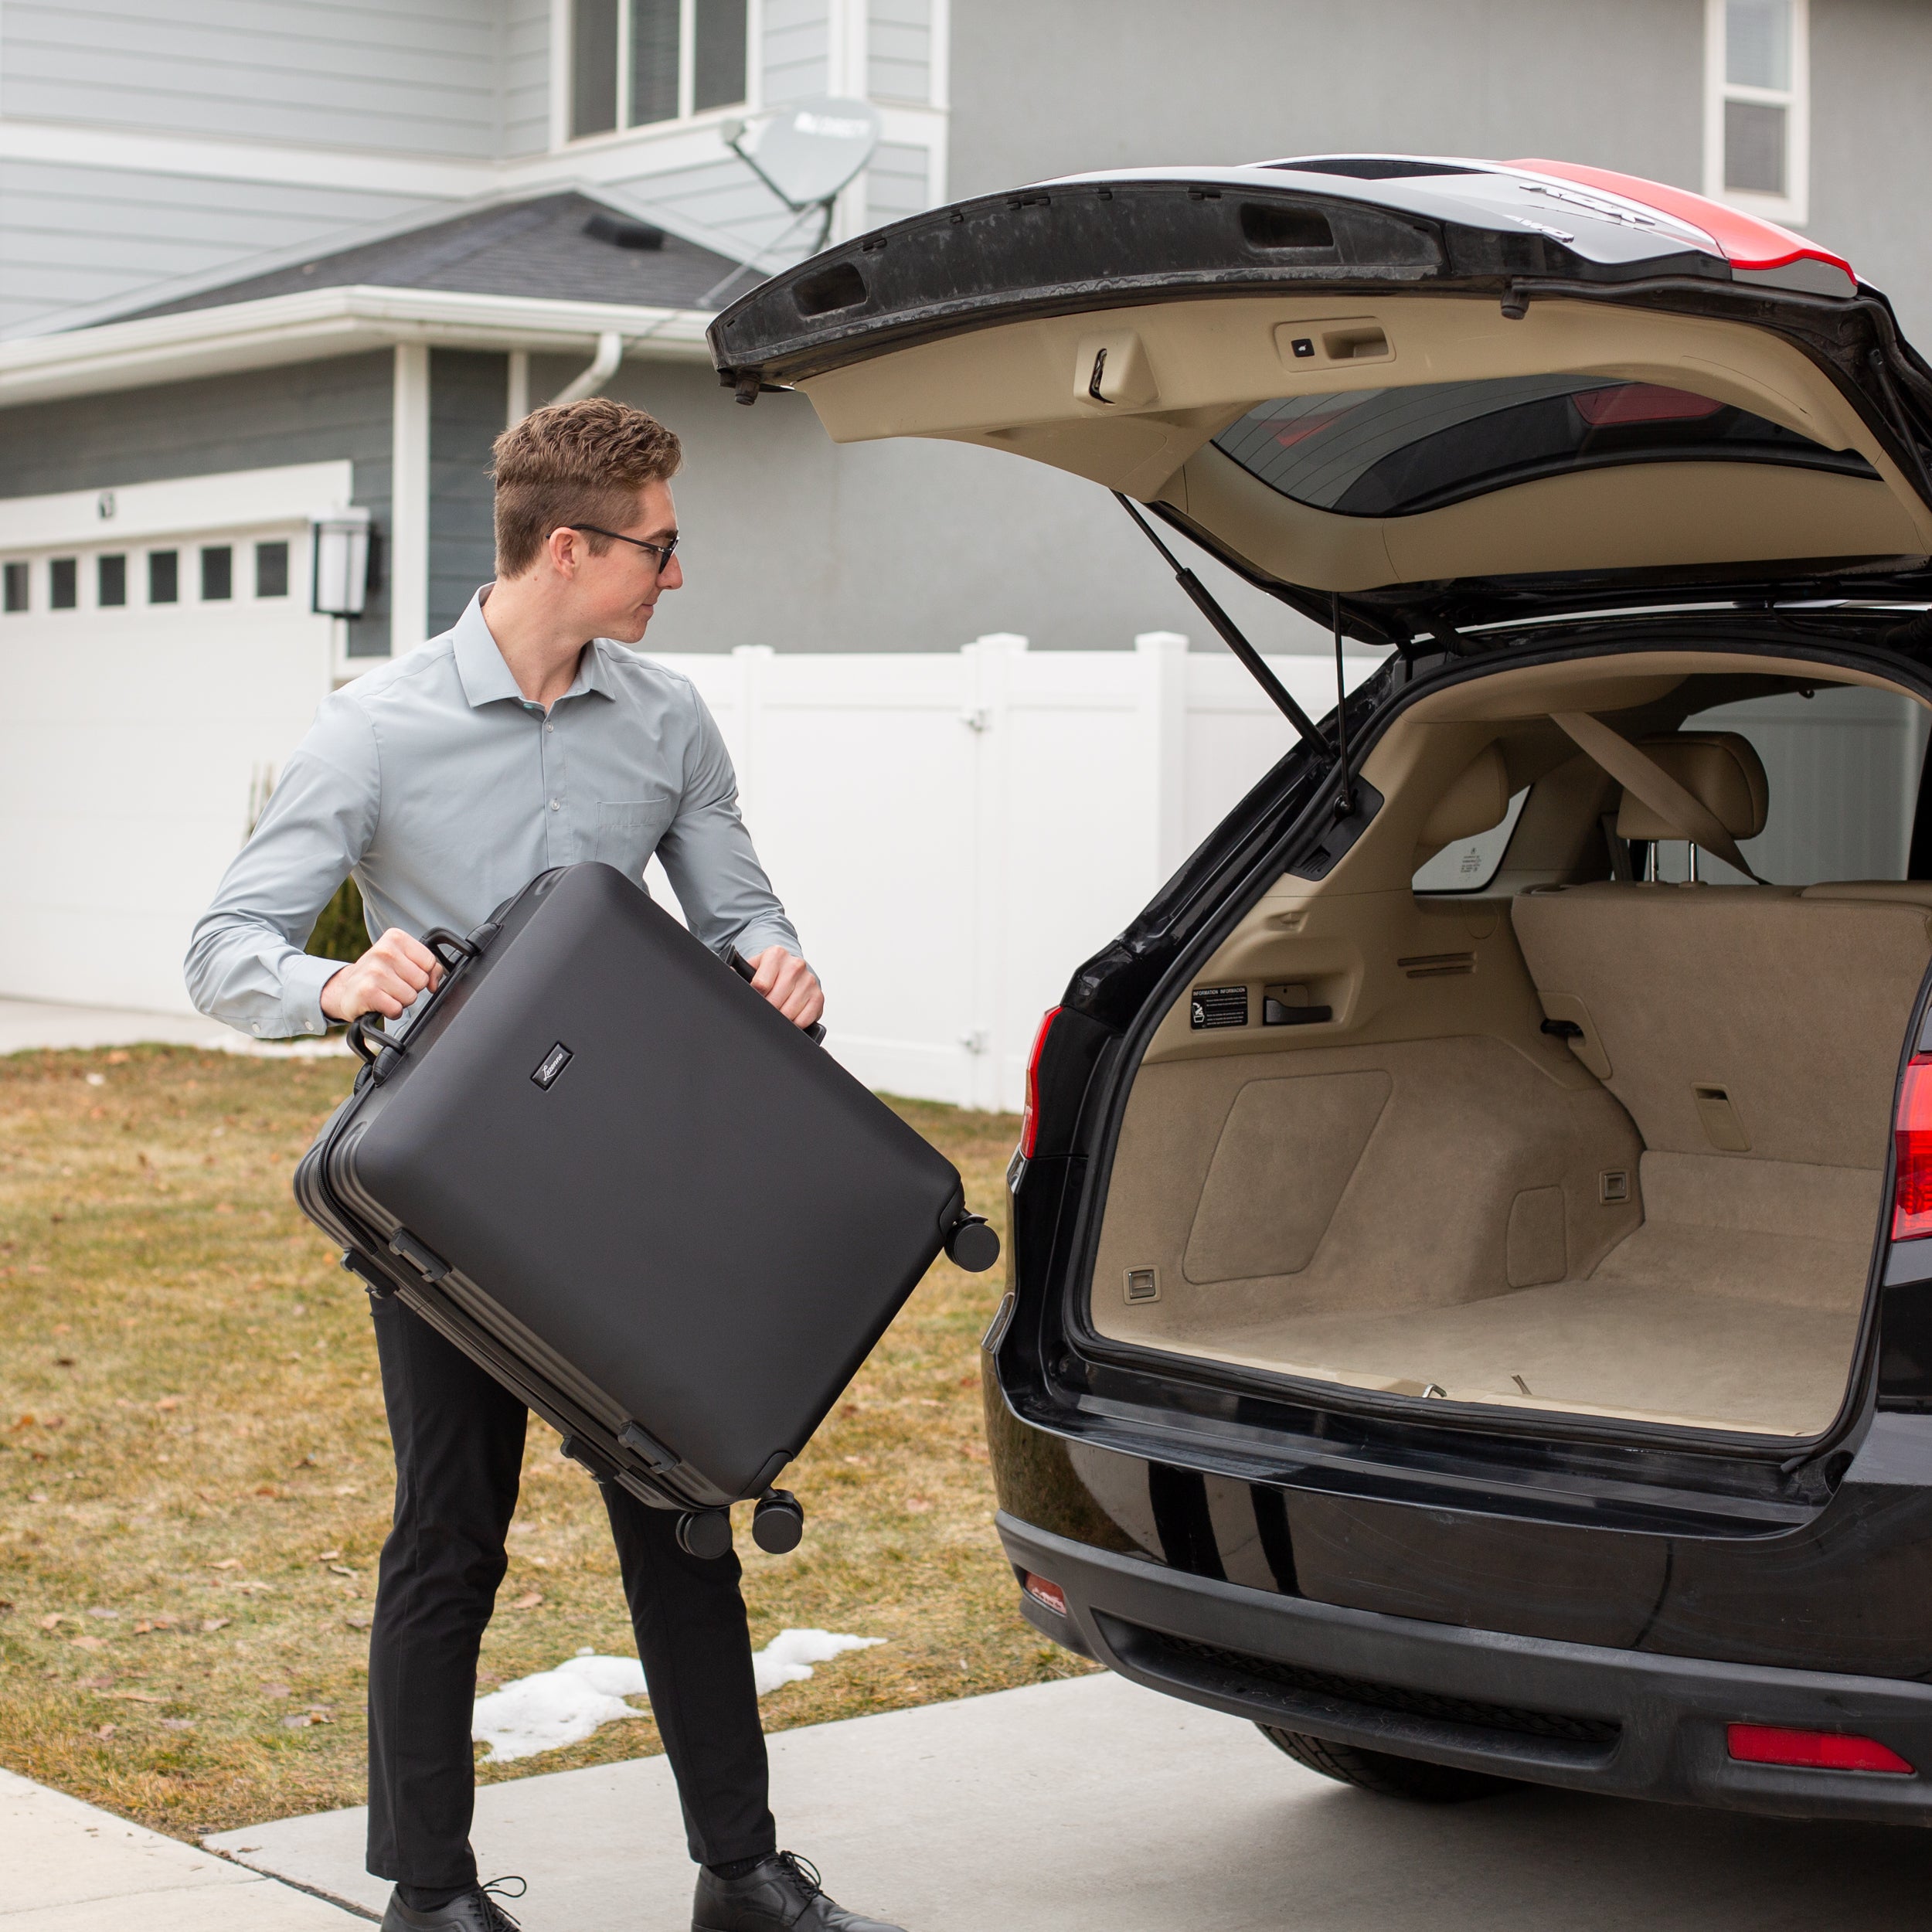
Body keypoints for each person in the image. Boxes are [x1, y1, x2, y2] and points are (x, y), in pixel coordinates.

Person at [186, 399, 904, 1932]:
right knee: (449, 1526)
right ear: (569, 548)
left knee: (682, 1508)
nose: (675, 573)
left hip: (631, 1199)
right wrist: (329, 983)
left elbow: (736, 903)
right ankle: (428, 1892)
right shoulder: (374, 728)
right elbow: (223, 942)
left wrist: (772, 959)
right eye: (659, 543)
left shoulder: (666, 719)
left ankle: (742, 1873)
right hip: (446, 1213)